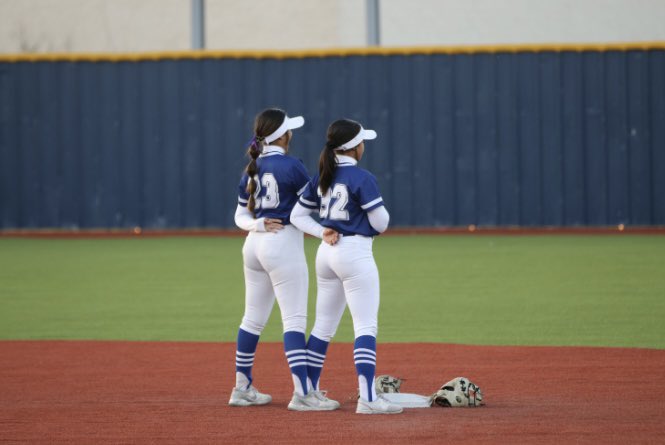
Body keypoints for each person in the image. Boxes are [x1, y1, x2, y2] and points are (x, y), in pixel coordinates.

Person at [229, 108, 339, 411]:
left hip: (254, 245)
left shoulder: (251, 167)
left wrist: (258, 224)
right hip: (282, 246)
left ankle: (241, 387)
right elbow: (312, 205)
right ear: (284, 136)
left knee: (252, 318)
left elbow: (240, 215)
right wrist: (324, 230)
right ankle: (303, 393)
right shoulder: (291, 166)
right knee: (293, 320)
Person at [290, 118, 402, 414]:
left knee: (323, 326)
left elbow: (297, 216)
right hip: (354, 252)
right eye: (362, 141)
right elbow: (382, 222)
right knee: (365, 325)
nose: (364, 145)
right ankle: (368, 398)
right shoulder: (362, 178)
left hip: (326, 253)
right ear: (354, 147)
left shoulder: (323, 174)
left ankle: (306, 393)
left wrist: (322, 231)